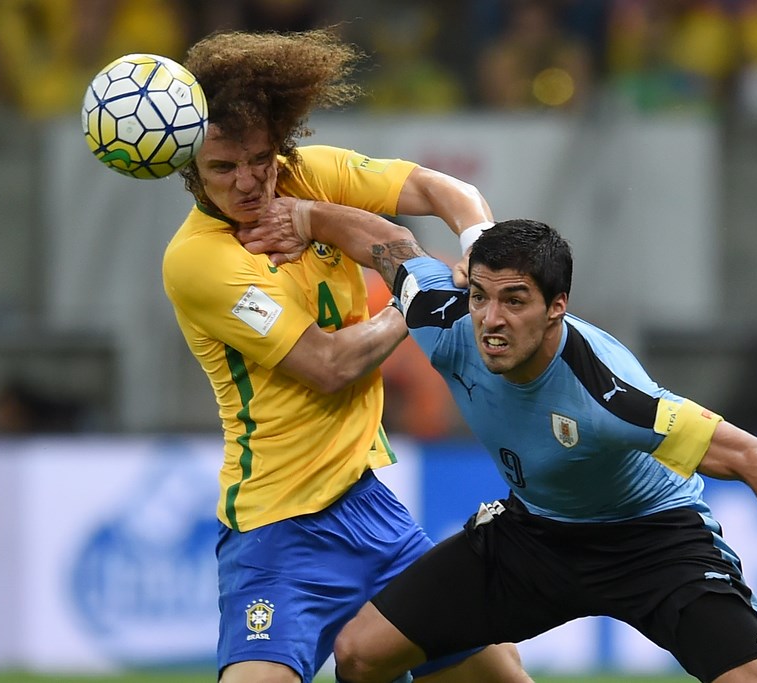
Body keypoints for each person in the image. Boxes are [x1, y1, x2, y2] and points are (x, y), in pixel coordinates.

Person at [237, 215, 757, 683]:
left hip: (654, 542)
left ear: (558, 306)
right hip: (535, 535)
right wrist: (306, 214)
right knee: (360, 654)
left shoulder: (610, 392)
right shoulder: (446, 323)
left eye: (516, 301)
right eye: (482, 297)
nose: (492, 320)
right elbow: (390, 242)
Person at [161, 29, 529, 683]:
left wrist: (477, 244)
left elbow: (445, 190)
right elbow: (330, 363)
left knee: (502, 676)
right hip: (276, 529)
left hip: (370, 509)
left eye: (258, 158)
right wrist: (423, 296)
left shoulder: (308, 176)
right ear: (192, 170)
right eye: (223, 168)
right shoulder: (198, 261)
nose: (248, 181)